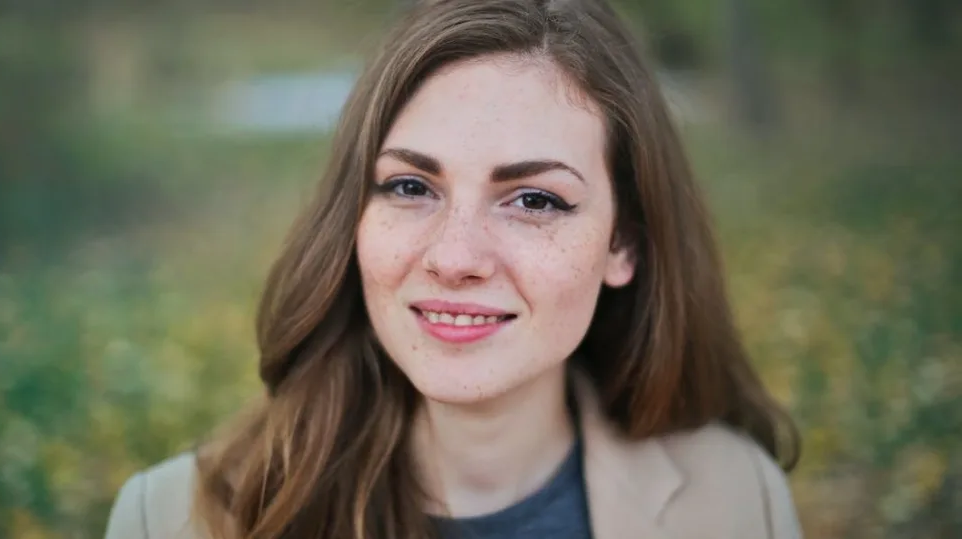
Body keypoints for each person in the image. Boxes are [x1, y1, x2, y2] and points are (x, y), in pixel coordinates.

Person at [104, 0, 803, 538]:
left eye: (533, 199)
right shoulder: (172, 519)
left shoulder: (740, 498)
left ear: (624, 244)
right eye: (410, 187)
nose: (455, 258)